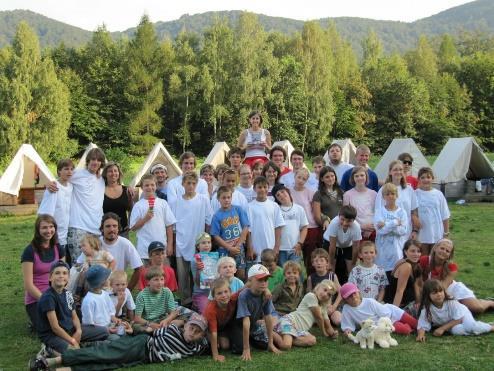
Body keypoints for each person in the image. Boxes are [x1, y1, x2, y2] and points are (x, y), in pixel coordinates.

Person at [29, 314, 209, 370]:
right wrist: (135, 329)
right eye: (191, 327)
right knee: (102, 354)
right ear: (185, 326)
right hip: (140, 345)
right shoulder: (172, 330)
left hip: (143, 359)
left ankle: (56, 368)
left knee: (105, 365)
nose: (192, 333)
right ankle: (48, 361)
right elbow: (149, 332)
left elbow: (214, 340)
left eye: (197, 331)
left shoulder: (197, 347)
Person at [36, 261, 108, 356]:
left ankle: (79, 344)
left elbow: (74, 316)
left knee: (104, 331)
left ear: (68, 278)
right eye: (57, 273)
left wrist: (78, 331)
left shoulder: (68, 293)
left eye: (65, 273)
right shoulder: (48, 298)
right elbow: (55, 328)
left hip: (70, 330)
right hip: (53, 335)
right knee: (75, 354)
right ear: (50, 277)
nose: (61, 276)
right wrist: (72, 340)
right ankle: (49, 349)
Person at [170, 171, 212, 306]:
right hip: (181, 242)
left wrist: (206, 241)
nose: (191, 186)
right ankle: (185, 301)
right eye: (188, 183)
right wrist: (173, 242)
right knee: (183, 275)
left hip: (199, 243)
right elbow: (173, 225)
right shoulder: (176, 202)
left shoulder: (203, 199)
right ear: (183, 184)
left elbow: (208, 220)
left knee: (200, 273)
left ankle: (201, 300)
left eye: (193, 183)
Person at [420, 239, 494, 314]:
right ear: (435, 248)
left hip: (450, 289)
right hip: (432, 291)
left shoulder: (452, 267)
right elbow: (418, 281)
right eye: (442, 248)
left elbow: (443, 287)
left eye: (447, 251)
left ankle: (490, 302)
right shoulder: (424, 260)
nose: (444, 252)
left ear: (449, 255)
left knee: (477, 308)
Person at [21, 214, 66, 331]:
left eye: (51, 227)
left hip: (56, 294)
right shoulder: (29, 251)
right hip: (37, 299)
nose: (49, 231)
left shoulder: (58, 248)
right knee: (51, 328)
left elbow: (64, 275)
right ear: (38, 230)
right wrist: (46, 301)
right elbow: (28, 285)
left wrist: (61, 297)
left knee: (69, 322)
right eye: (44, 227)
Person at [230, 264, 282, 360]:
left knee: (266, 344)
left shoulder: (266, 294)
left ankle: (252, 340)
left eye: (266, 280)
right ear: (250, 281)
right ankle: (243, 342)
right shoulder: (243, 295)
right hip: (239, 326)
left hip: (253, 325)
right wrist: (246, 348)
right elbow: (245, 322)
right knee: (240, 349)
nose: (264, 283)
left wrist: (270, 343)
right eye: (260, 280)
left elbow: (268, 317)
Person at [64, 147, 106, 264]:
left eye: (98, 160)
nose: (95, 162)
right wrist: (49, 184)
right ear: (88, 160)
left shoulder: (102, 179)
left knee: (95, 265)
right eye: (93, 159)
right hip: (78, 227)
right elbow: (61, 179)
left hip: (96, 229)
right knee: (78, 265)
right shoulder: (77, 174)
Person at [416, 279, 493, 342]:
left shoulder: (451, 302)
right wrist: (421, 335)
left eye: (441, 291)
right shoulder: (427, 309)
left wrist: (442, 328)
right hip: (451, 324)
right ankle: (480, 327)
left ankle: (491, 327)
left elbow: (459, 319)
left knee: (471, 326)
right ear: (427, 296)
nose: (439, 294)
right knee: (457, 331)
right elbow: (422, 324)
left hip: (462, 315)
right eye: (434, 293)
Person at [275, 280, 338, 349]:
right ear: (318, 287)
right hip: (290, 321)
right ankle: (272, 333)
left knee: (312, 340)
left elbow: (328, 325)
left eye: (329, 294)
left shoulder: (323, 307)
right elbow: (319, 318)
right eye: (325, 290)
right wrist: (324, 333)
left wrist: (333, 333)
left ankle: (285, 335)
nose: (325, 294)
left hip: (299, 330)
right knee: (286, 346)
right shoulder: (311, 296)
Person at [340, 282, 418, 336]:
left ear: (359, 292)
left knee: (416, 324)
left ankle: (416, 323)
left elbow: (385, 313)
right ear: (345, 299)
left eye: (354, 293)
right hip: (383, 324)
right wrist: (348, 330)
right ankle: (409, 327)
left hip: (391, 313)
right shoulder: (347, 309)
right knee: (406, 330)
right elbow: (347, 323)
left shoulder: (369, 302)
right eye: (349, 296)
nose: (353, 297)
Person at [129, 174, 176, 262]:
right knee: (147, 274)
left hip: (161, 248)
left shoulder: (163, 203)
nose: (149, 187)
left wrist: (170, 245)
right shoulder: (138, 205)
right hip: (145, 249)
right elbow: (133, 227)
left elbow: (169, 225)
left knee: (162, 273)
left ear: (156, 186)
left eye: (152, 185)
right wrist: (145, 219)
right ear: (142, 187)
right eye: (146, 185)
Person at [210, 186, 249, 281]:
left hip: (238, 248)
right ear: (218, 199)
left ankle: (239, 294)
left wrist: (238, 245)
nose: (226, 200)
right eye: (223, 198)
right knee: (225, 276)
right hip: (225, 249)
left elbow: (245, 227)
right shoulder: (216, 216)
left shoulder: (238, 209)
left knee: (241, 274)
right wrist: (229, 248)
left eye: (228, 197)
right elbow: (215, 235)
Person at [374, 160, 419, 239]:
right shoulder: (383, 190)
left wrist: (415, 231)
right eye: (395, 170)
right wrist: (389, 225)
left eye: (400, 169)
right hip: (387, 234)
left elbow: (414, 211)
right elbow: (378, 212)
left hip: (404, 232)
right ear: (390, 172)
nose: (398, 172)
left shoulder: (409, 189)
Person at [97, 213, 143, 290]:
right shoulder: (95, 243)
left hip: (118, 287)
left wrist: (128, 290)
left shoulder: (125, 243)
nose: (112, 229)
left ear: (118, 228)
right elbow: (80, 264)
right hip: (98, 288)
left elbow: (139, 268)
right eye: (108, 226)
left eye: (114, 226)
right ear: (102, 229)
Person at [37, 159, 73, 254]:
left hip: (66, 233)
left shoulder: (71, 187)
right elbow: (46, 213)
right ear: (59, 171)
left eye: (71, 169)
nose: (69, 172)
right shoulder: (54, 187)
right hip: (54, 233)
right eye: (66, 169)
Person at [289, 167, 321, 274]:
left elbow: (314, 209)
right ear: (295, 176)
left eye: (303, 179)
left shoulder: (310, 192)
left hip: (310, 227)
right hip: (294, 228)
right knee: (295, 256)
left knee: (310, 256)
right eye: (299, 177)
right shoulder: (288, 191)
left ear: (306, 181)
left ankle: (311, 278)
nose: (300, 180)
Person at [246, 176, 285, 263]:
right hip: (256, 249)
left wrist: (276, 247)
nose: (262, 190)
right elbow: (248, 230)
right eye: (259, 187)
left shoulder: (274, 206)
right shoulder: (249, 207)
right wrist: (250, 248)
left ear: (268, 188)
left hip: (271, 248)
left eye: (265, 187)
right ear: (254, 189)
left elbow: (278, 227)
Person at [374, 183, 409, 278]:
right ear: (383, 196)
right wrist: (394, 223)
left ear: (396, 195)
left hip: (397, 249)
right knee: (384, 277)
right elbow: (380, 231)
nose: (390, 196)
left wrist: (385, 224)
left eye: (392, 194)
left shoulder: (402, 212)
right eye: (387, 194)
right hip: (383, 249)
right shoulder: (379, 211)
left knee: (396, 275)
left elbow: (403, 231)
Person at [415, 167, 450, 255]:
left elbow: (445, 215)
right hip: (422, 233)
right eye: (422, 177)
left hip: (437, 232)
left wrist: (446, 233)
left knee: (434, 258)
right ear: (418, 179)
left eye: (428, 177)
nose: (426, 180)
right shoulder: (415, 194)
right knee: (423, 257)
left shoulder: (438, 194)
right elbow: (412, 213)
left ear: (432, 179)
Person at [271, 183, 308, 267]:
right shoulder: (276, 210)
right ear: (276, 199)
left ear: (288, 192)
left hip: (295, 248)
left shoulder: (299, 209)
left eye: (282, 192)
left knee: (296, 274)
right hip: (280, 250)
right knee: (284, 274)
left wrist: (300, 243)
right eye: (278, 195)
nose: (281, 195)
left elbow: (304, 227)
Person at [133, 266, 179, 332]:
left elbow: (173, 313)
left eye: (162, 279)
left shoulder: (167, 292)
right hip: (147, 322)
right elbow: (137, 318)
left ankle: (161, 330)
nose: (160, 283)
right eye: (156, 279)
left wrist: (166, 320)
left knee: (179, 320)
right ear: (148, 282)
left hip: (162, 319)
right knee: (139, 327)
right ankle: (158, 331)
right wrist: (150, 324)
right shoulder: (142, 295)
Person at [384, 239, 423, 317]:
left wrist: (418, 302)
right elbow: (399, 291)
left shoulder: (415, 265)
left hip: (411, 302)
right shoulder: (406, 266)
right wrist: (393, 313)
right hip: (401, 305)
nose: (416, 254)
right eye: (412, 251)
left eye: (418, 251)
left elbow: (417, 285)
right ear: (405, 252)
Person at [204, 278, 239, 362]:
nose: (224, 295)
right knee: (217, 346)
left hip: (222, 328)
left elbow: (246, 287)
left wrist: (266, 290)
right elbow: (213, 332)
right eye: (219, 293)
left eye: (226, 292)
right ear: (214, 297)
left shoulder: (233, 299)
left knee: (225, 346)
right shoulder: (211, 310)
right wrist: (215, 355)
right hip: (208, 329)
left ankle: (220, 339)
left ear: (230, 292)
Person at [81, 265, 120, 337]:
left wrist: (114, 318)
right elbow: (89, 324)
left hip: (109, 325)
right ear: (101, 282)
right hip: (98, 331)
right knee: (116, 338)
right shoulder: (88, 301)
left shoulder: (105, 294)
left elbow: (110, 310)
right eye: (107, 279)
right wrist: (106, 330)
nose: (109, 280)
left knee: (123, 331)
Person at [306, 248, 342, 325]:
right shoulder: (310, 278)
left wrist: (334, 306)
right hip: (319, 307)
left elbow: (341, 293)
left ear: (327, 263)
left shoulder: (332, 276)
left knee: (338, 320)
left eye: (322, 260)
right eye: (316, 261)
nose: (319, 263)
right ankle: (323, 319)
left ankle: (329, 318)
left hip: (331, 307)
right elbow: (309, 296)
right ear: (313, 263)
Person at [324, 205, 362, 277]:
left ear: (353, 220)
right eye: (342, 219)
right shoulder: (334, 223)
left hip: (348, 245)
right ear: (339, 216)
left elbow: (356, 248)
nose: (345, 223)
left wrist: (353, 264)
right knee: (331, 270)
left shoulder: (356, 227)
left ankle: (351, 287)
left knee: (352, 271)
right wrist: (330, 263)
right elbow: (332, 248)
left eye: (349, 221)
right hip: (331, 244)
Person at [343, 166, 377, 241]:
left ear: (366, 177)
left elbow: (377, 213)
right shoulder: (347, 195)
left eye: (362, 175)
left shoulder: (374, 194)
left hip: (372, 232)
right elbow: (346, 216)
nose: (359, 178)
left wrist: (371, 228)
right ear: (353, 178)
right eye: (356, 176)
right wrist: (361, 226)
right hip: (355, 232)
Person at [102, 162, 133, 237]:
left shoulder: (126, 190)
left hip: (123, 232)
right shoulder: (100, 190)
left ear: (119, 173)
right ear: (105, 174)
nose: (113, 173)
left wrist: (129, 223)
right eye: (110, 171)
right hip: (105, 232)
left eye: (115, 171)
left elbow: (131, 209)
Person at [191, 233, 217, 313]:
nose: (207, 245)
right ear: (198, 246)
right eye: (203, 243)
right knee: (207, 312)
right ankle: (195, 304)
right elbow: (197, 283)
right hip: (200, 293)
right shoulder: (195, 260)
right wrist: (199, 270)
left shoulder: (215, 257)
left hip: (214, 292)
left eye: (209, 242)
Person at [312, 166, 343, 231]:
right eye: (327, 177)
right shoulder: (318, 194)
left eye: (332, 176)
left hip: (341, 228)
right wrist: (325, 223)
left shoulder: (341, 192)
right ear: (322, 179)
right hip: (327, 229)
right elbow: (317, 216)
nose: (330, 179)